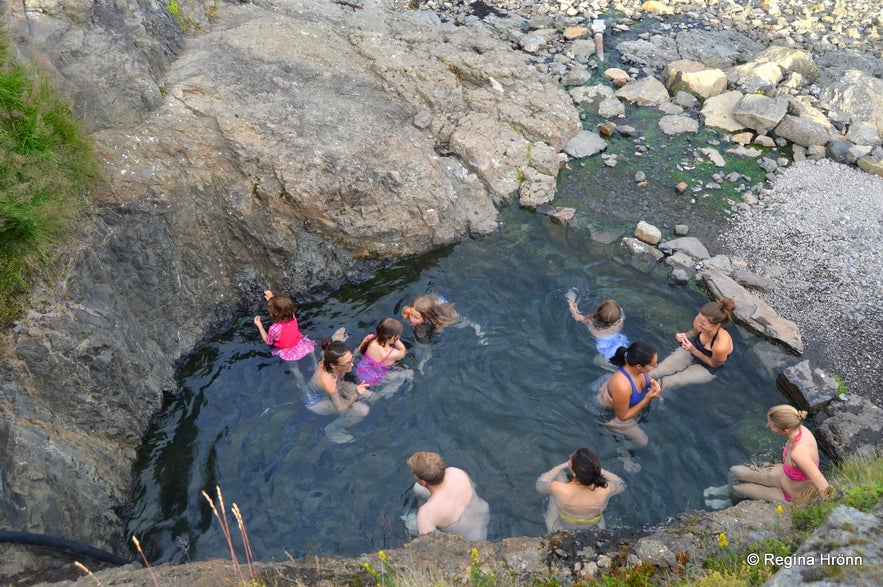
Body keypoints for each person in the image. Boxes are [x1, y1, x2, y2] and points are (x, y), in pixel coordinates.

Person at [730, 405, 830, 504]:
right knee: (734, 471)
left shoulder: (799, 453)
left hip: (793, 496)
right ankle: (725, 488)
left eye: (772, 425)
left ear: (785, 430)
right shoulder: (799, 428)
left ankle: (724, 498)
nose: (768, 424)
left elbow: (821, 483)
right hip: (785, 476)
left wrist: (835, 508)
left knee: (738, 489)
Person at [651, 298, 736, 391]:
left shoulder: (721, 345)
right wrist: (684, 336)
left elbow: (714, 364)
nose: (698, 324)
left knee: (668, 382)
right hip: (693, 349)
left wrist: (693, 350)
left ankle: (657, 398)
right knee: (657, 371)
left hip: (708, 366)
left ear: (717, 325)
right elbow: (692, 333)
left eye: (703, 324)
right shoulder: (699, 321)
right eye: (698, 319)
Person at [406, 451, 490, 541]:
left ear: (423, 482)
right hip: (483, 515)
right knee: (418, 489)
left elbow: (431, 544)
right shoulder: (457, 473)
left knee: (410, 523)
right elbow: (473, 487)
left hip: (469, 539)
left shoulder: (427, 514)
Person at [536, 448, 625, 532]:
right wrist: (599, 470)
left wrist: (559, 467)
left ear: (574, 472)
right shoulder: (605, 489)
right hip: (595, 527)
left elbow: (540, 485)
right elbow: (621, 485)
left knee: (558, 483)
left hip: (563, 526)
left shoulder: (558, 488)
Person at [595, 341, 661, 447]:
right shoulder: (622, 386)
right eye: (652, 365)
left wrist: (651, 383)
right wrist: (647, 398)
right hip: (608, 414)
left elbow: (643, 380)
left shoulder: (639, 369)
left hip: (622, 401)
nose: (656, 365)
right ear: (639, 366)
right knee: (643, 441)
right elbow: (623, 416)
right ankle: (623, 450)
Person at [565, 288, 628, 361]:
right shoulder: (619, 323)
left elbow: (578, 317)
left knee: (600, 360)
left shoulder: (591, 322)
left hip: (604, 347)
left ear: (598, 311)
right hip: (620, 341)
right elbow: (619, 315)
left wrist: (571, 303)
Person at [253, 290, 315, 361]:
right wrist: (272, 300)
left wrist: (260, 326)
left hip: (287, 351)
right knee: (311, 350)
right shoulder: (292, 316)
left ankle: (297, 373)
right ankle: (315, 363)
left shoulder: (274, 329)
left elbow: (268, 341)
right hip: (299, 343)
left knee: (293, 367)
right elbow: (283, 309)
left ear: (275, 313)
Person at [355, 318, 407, 385]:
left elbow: (357, 351)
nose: (399, 337)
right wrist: (395, 340)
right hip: (373, 380)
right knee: (407, 373)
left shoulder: (369, 338)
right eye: (398, 336)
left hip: (359, 370)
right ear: (391, 338)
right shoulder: (393, 354)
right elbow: (404, 351)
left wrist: (391, 336)